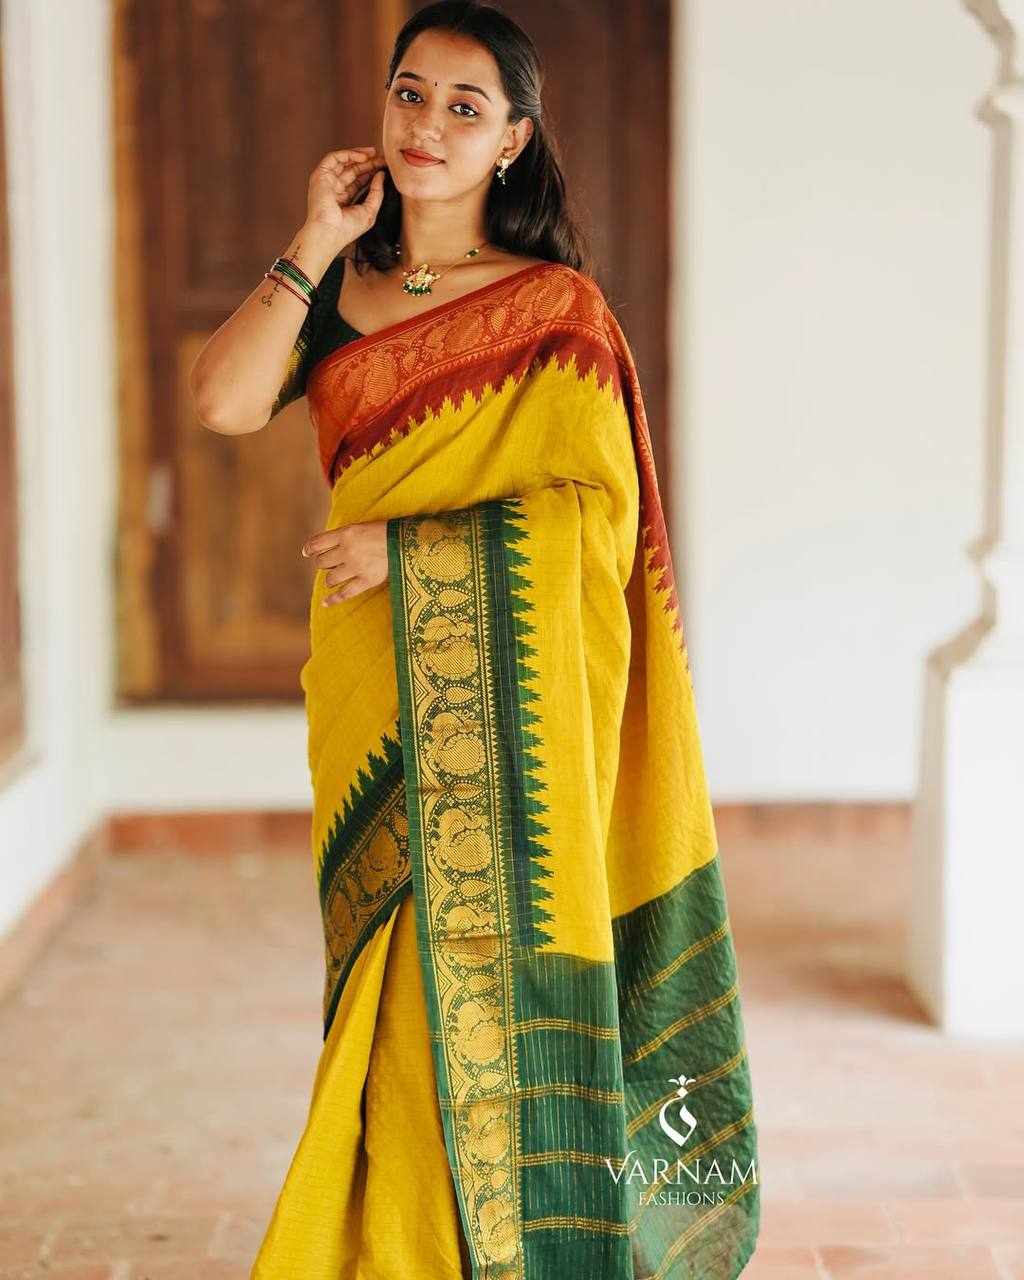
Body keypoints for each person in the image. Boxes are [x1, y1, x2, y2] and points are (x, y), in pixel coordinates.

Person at [189, 3, 761, 1277]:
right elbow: (224, 400)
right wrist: (313, 236)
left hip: (519, 698)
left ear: (512, 140)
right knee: (384, 982)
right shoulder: (338, 286)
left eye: (464, 107)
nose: (428, 125)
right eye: (410, 94)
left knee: (499, 964)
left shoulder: (556, 310)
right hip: (371, 683)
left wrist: (416, 548)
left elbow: (598, 519)